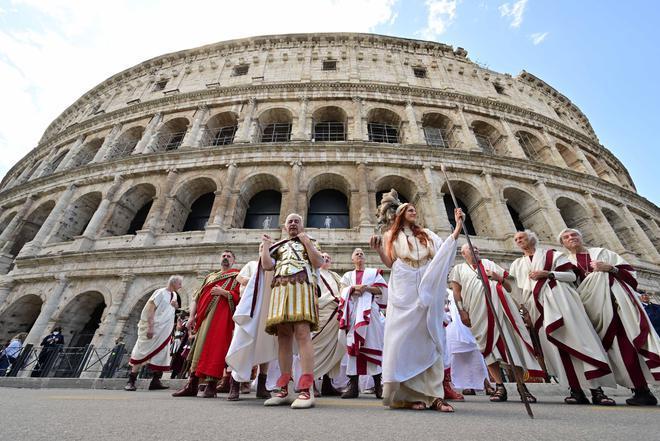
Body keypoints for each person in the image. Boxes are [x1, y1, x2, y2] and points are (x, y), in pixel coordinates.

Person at [370, 190, 463, 413]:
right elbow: (391, 262)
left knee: (431, 336)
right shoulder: (391, 236)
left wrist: (458, 226)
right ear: (401, 214)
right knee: (403, 339)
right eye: (410, 209)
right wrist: (378, 250)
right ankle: (407, 396)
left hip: (427, 285)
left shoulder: (428, 234)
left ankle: (435, 395)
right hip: (404, 286)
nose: (414, 212)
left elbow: (444, 252)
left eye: (414, 209)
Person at [509, 230, 616, 405]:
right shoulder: (516, 265)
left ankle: (597, 390)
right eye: (516, 239)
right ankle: (575, 390)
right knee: (556, 350)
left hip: (563, 302)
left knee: (580, 342)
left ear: (531, 238)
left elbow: (572, 276)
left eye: (522, 237)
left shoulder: (554, 255)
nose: (519, 240)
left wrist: (549, 274)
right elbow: (518, 291)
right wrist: (524, 311)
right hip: (537, 308)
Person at [559, 228, 660, 406]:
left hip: (616, 305)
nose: (571, 238)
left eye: (574, 235)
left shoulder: (602, 253)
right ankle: (634, 389)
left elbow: (630, 274)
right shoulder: (566, 262)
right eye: (566, 237)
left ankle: (642, 390)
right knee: (613, 350)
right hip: (591, 308)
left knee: (628, 344)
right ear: (562, 244)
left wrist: (609, 268)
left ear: (581, 238)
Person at [450, 244, 542, 403]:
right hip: (477, 312)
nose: (476, 251)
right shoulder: (458, 269)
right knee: (487, 349)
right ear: (463, 253)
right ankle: (500, 386)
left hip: (502, 311)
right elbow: (457, 293)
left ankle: (522, 387)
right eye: (471, 249)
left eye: (477, 249)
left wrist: (498, 278)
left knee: (512, 347)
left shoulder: (490, 264)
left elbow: (509, 286)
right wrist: (461, 311)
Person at [260, 213, 323, 409]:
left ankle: (306, 389)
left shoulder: (310, 240)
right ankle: (284, 388)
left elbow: (318, 262)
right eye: (290, 222)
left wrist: (306, 242)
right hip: (280, 287)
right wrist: (264, 248)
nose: (293, 224)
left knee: (303, 333)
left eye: (297, 221)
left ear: (302, 225)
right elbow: (268, 266)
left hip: (302, 285)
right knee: (283, 335)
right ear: (285, 226)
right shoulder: (278, 246)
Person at [172, 250, 241, 398]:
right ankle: (192, 384)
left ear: (234, 260)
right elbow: (197, 297)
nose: (225, 258)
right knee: (199, 347)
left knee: (216, 348)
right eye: (223, 256)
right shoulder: (210, 277)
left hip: (222, 319)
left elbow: (239, 296)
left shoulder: (237, 276)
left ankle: (211, 385)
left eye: (229, 256)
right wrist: (191, 317)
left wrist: (224, 292)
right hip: (204, 317)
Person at [338, 247, 388, 399]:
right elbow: (342, 291)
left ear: (365, 259)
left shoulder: (373, 274)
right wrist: (353, 289)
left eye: (362, 253)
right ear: (352, 259)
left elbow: (383, 291)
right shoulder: (347, 275)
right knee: (354, 348)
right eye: (356, 254)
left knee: (372, 345)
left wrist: (367, 289)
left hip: (370, 315)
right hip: (353, 313)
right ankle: (353, 387)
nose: (359, 255)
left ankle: (378, 386)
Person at [125, 275, 182, 391]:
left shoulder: (174, 295)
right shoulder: (160, 292)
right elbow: (150, 310)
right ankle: (131, 381)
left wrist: (176, 306)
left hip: (164, 330)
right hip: (155, 327)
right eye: (180, 284)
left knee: (162, 354)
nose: (181, 286)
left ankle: (155, 381)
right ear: (174, 283)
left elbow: (168, 309)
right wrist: (150, 327)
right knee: (141, 352)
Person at [236, 251, 272, 399]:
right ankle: (236, 382)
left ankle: (261, 385)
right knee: (242, 343)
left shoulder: (272, 267)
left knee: (265, 345)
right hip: (248, 307)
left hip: (266, 308)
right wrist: (254, 280)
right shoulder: (251, 264)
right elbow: (240, 278)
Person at [313, 252, 347, 397]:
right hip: (322, 313)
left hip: (336, 314)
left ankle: (327, 384)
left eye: (328, 258)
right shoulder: (314, 274)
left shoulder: (335, 276)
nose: (326, 259)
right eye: (323, 257)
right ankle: (311, 383)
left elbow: (344, 289)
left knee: (334, 348)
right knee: (316, 348)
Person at [444, 292, 489, 396]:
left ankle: (485, 383)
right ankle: (466, 385)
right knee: (457, 357)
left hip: (466, 323)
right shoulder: (446, 291)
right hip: (452, 326)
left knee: (475, 354)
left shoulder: (462, 290)